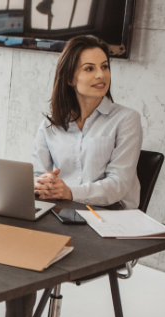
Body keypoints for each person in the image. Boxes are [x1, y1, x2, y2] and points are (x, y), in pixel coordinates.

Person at [32, 35, 142, 209]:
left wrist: (70, 192)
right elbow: (35, 175)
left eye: (104, 67)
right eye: (89, 69)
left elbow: (118, 184)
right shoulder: (50, 125)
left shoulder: (127, 119)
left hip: (111, 214)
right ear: (70, 79)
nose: (101, 75)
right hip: (63, 210)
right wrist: (40, 184)